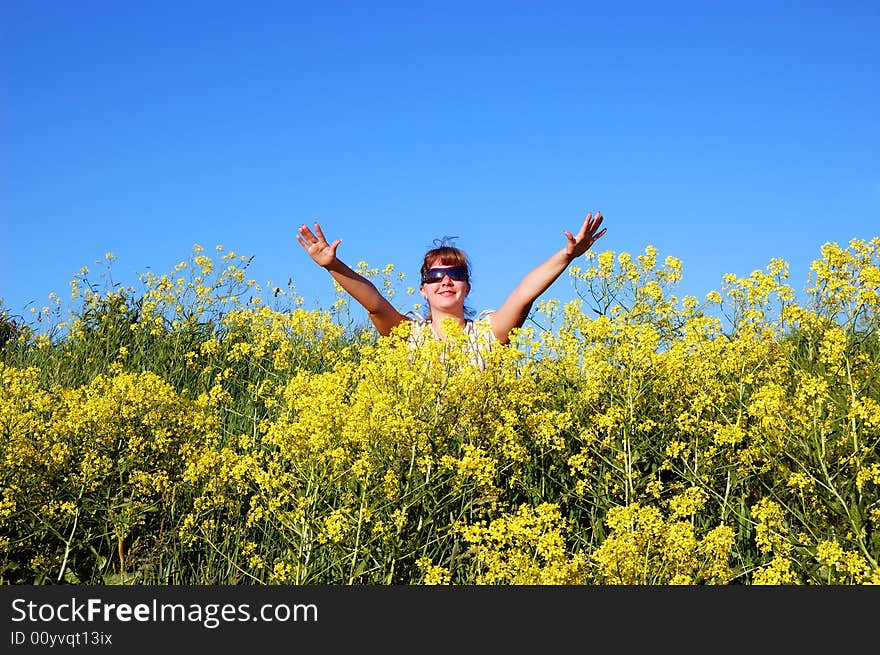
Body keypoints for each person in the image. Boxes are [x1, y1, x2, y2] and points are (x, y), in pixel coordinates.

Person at [295, 213, 606, 352]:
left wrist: (567, 256)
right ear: (423, 289)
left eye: (456, 274)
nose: (445, 281)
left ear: (466, 287)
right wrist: (333, 265)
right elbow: (374, 304)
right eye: (434, 275)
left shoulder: (488, 334)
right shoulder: (409, 336)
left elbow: (524, 295)